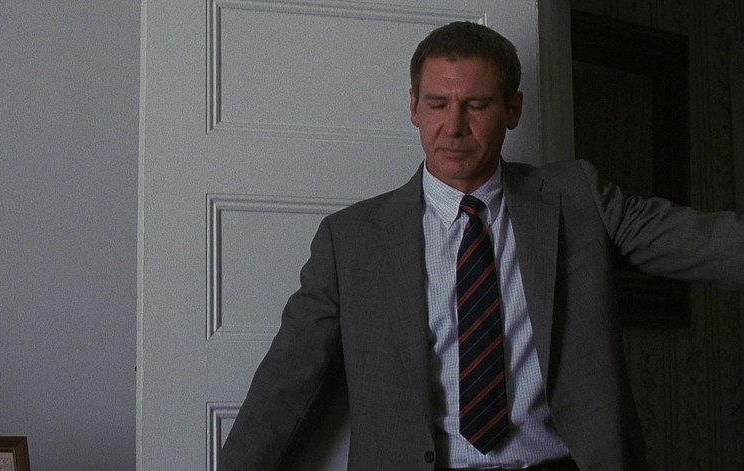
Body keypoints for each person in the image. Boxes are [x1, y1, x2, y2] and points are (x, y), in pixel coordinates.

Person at [219, 21, 744, 470]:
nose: (453, 127)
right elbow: (288, 385)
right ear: (413, 107)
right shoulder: (352, 239)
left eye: (475, 105)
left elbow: (709, 243)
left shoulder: (578, 200)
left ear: (512, 109)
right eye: (437, 104)